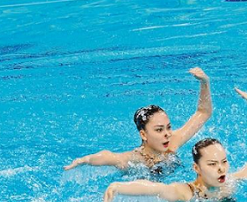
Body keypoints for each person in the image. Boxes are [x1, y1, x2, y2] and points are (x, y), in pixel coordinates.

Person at [102, 88, 247, 202]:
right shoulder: (186, 193)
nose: (221, 169)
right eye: (212, 164)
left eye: (224, 162)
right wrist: (117, 187)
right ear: (196, 168)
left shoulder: (229, 184)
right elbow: (156, 188)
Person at [64, 67, 212, 172]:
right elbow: (108, 156)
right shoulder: (135, 159)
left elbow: (203, 113)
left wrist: (205, 82)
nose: (167, 133)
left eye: (168, 127)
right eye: (159, 130)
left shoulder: (173, 142)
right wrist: (83, 160)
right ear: (143, 134)